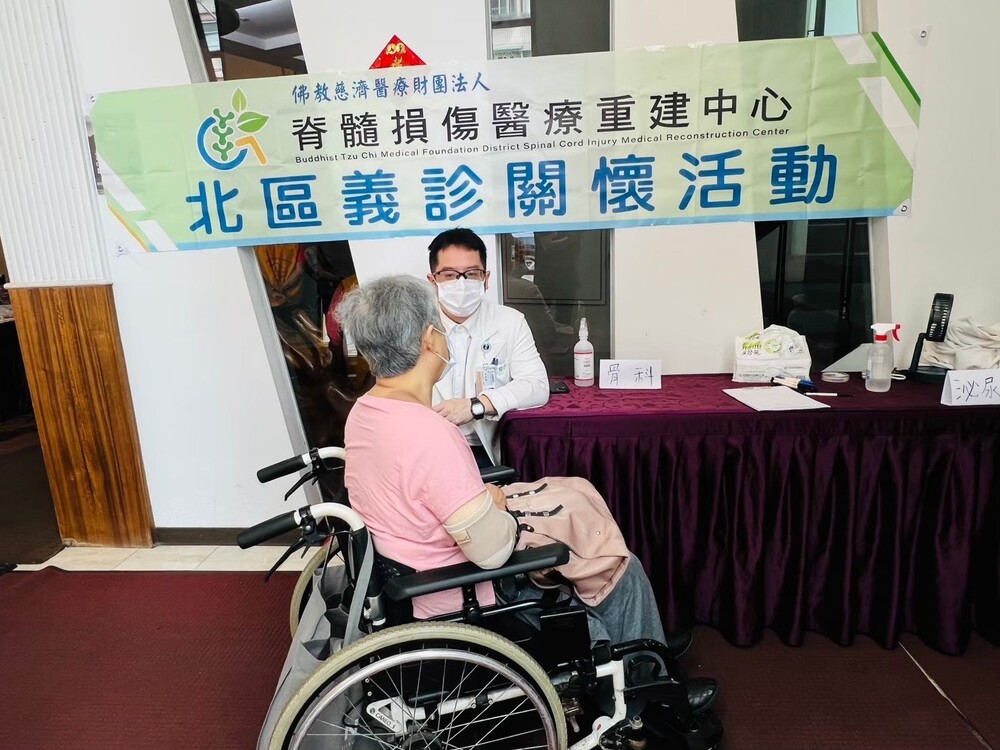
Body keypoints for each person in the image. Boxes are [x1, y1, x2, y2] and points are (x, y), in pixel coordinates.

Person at [337, 275, 705, 671]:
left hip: (412, 568)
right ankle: (646, 672)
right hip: (464, 589)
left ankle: (646, 641)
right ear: (430, 339)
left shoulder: (364, 413)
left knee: (573, 494)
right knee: (616, 561)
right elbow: (493, 551)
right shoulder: (430, 433)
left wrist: (486, 501)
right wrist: (493, 503)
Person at [426, 228, 548, 468]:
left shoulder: (510, 321)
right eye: (450, 275)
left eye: (472, 273)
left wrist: (476, 405)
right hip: (429, 448)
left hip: (484, 449)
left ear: (486, 278)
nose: (462, 283)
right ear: (433, 281)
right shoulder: (414, 326)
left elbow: (537, 386)